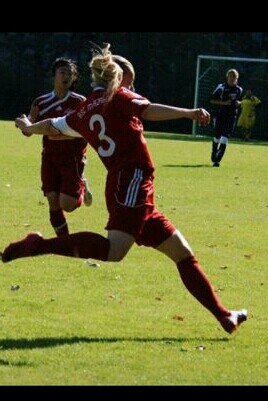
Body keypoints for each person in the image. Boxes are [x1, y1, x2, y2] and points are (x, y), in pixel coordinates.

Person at [5, 44, 247, 335]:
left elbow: (54, 126)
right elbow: (147, 110)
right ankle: (38, 245)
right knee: (115, 250)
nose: (132, 86)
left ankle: (224, 316)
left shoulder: (83, 110)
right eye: (129, 80)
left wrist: (30, 127)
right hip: (130, 182)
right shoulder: (117, 96)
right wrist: (189, 113)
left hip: (130, 186)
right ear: (117, 76)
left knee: (182, 253)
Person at [26, 58, 93, 237]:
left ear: (73, 79)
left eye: (70, 74)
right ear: (54, 76)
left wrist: (57, 133)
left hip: (73, 158)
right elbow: (30, 129)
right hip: (50, 158)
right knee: (52, 201)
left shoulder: (80, 102)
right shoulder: (40, 102)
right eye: (62, 72)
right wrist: (23, 124)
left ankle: (82, 186)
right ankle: (64, 242)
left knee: (67, 204)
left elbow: (86, 130)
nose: (66, 76)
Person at [210, 69, 243, 167]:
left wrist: (239, 103)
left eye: (234, 77)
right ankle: (214, 150)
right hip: (220, 115)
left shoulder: (239, 89)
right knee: (217, 137)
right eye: (231, 76)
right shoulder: (221, 87)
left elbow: (240, 101)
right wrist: (224, 103)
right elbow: (212, 100)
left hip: (231, 116)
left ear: (237, 78)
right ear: (227, 77)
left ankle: (217, 161)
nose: (232, 79)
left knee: (225, 138)